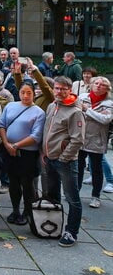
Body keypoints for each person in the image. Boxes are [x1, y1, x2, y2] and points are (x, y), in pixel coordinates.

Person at [41, 76, 85, 247]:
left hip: (65, 161)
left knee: (72, 197)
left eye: (63, 89)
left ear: (69, 91)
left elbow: (77, 140)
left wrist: (63, 158)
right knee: (52, 195)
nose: (59, 92)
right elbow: (47, 131)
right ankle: (53, 225)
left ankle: (71, 231)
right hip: (48, 158)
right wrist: (43, 153)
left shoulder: (75, 112)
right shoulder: (52, 106)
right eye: (57, 88)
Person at [0, 83, 45, 225]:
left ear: (34, 94)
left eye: (29, 93)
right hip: (9, 150)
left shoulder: (39, 112)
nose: (25, 95)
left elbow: (36, 135)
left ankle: (27, 211)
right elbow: (1, 124)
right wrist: (6, 143)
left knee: (27, 182)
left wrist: (17, 145)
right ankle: (15, 209)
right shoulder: (11, 106)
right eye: (23, 92)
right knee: (13, 181)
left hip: (27, 153)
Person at [76, 76, 111, 210]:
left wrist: (87, 110)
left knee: (96, 168)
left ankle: (96, 196)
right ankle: (75, 192)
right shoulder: (82, 97)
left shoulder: (109, 104)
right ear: (91, 85)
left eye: (102, 85)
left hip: (97, 140)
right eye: (96, 83)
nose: (98, 86)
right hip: (80, 138)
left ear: (106, 89)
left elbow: (105, 119)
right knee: (78, 167)